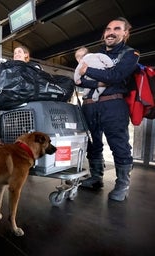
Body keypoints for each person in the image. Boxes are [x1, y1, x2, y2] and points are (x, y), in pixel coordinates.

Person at [77, 17, 140, 201]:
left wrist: (88, 71)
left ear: (126, 33)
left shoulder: (131, 54)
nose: (111, 32)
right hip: (90, 105)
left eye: (117, 29)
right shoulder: (96, 55)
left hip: (114, 105)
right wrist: (102, 78)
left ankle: (122, 184)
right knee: (92, 143)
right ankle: (96, 178)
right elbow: (83, 82)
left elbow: (117, 75)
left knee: (119, 145)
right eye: (108, 28)